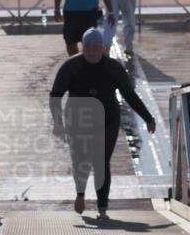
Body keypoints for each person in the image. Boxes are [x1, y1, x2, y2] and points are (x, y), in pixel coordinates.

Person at [49, 28, 156, 218]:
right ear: (82, 47)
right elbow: (55, 95)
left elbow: (129, 95)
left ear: (103, 48)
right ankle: (80, 194)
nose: (91, 51)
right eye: (87, 47)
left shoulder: (113, 67)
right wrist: (58, 122)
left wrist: (148, 118)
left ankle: (102, 208)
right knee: (80, 159)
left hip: (107, 118)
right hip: (78, 118)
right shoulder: (71, 66)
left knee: (101, 160)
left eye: (95, 47)